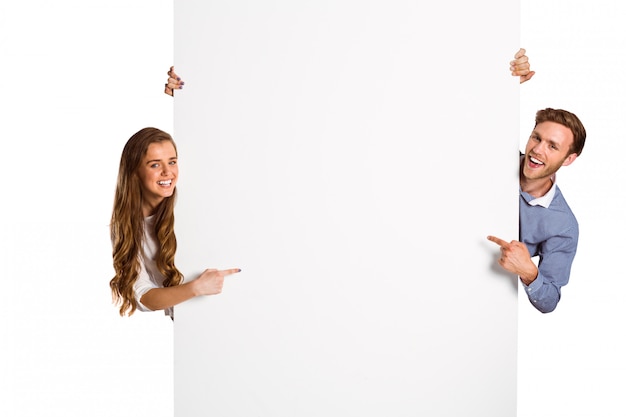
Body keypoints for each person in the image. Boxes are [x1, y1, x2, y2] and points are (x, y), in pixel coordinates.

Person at [488, 49, 586, 313]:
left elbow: (549, 300)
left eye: (553, 146)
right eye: (537, 138)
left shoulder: (563, 225)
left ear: (568, 159)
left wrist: (529, 272)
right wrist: (504, 81)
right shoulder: (495, 157)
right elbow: (470, 119)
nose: (538, 149)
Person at [109, 127, 240, 318]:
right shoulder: (124, 226)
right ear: (134, 171)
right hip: (188, 327)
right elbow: (143, 297)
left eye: (172, 162)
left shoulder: (190, 206)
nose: (168, 172)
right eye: (155, 165)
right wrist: (196, 288)